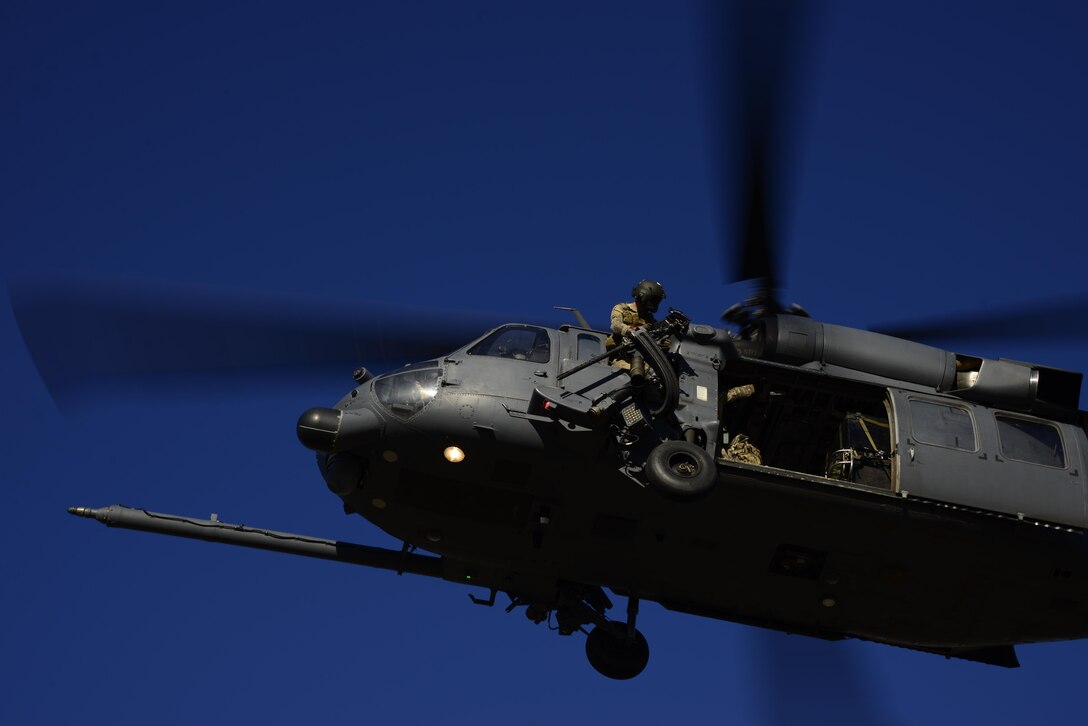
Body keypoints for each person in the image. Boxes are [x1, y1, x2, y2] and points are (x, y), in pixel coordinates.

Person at [606, 280, 666, 369]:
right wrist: (630, 332)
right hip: (621, 356)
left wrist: (664, 341)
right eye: (653, 300)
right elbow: (616, 325)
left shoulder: (650, 320)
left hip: (641, 359)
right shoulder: (622, 308)